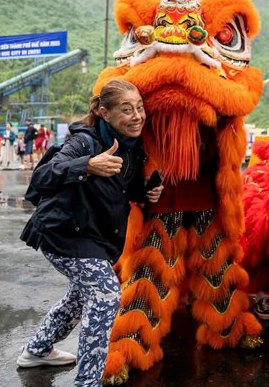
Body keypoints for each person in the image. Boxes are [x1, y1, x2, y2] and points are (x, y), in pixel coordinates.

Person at [18, 79, 163, 387]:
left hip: (93, 236)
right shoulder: (84, 142)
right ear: (104, 113)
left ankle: (37, 350)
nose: (137, 116)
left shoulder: (131, 147)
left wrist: (147, 191)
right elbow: (43, 176)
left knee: (80, 297)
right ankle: (88, 382)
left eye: (139, 108)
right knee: (106, 293)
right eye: (126, 109)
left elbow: (122, 186)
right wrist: (87, 164)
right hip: (62, 232)